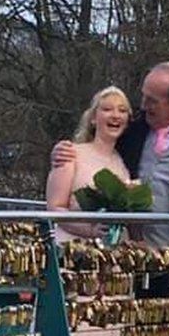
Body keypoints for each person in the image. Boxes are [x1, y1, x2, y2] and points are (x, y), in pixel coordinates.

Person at [53, 62, 169, 297]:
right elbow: (96, 147)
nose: (143, 105)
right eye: (143, 96)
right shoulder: (133, 131)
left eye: (152, 101)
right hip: (129, 263)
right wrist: (60, 151)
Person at [46, 86, 133, 242]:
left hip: (113, 254)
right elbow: (55, 208)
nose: (115, 116)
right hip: (71, 250)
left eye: (122, 110)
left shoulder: (124, 163)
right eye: (107, 109)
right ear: (93, 118)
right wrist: (90, 230)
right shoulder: (69, 153)